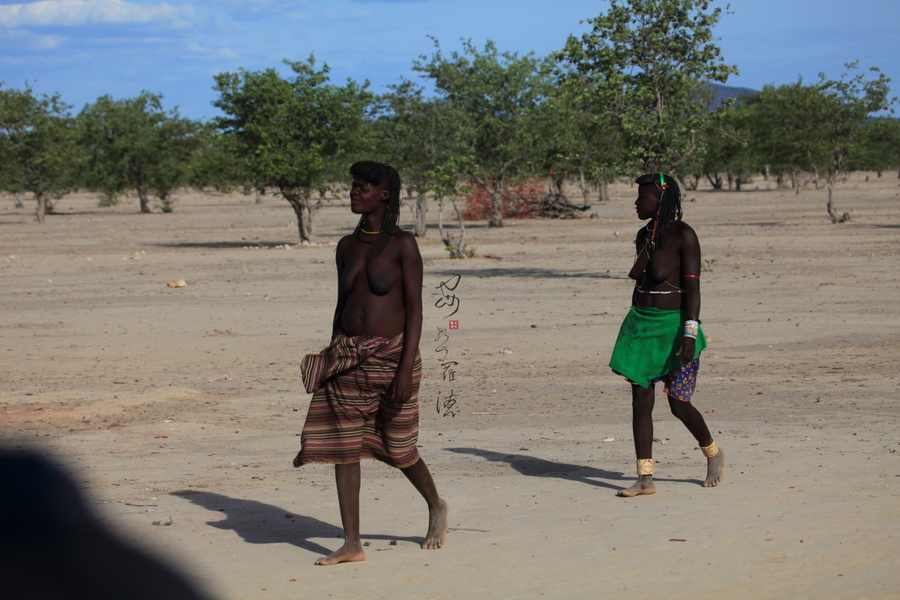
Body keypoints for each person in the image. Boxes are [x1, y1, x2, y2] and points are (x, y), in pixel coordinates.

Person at [293, 161, 448, 565]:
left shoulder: (403, 244)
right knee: (344, 448)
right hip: (347, 357)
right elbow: (341, 305)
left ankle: (435, 504)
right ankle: (351, 543)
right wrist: (331, 354)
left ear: (385, 194)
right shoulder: (346, 245)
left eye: (364, 187)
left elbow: (415, 311)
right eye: (353, 186)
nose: (354, 192)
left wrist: (404, 367)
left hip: (393, 356)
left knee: (398, 447)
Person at [609, 173, 725, 497]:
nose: (636, 203)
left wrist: (690, 332)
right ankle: (645, 479)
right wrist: (632, 324)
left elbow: (693, 289)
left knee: (678, 403)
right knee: (640, 401)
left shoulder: (684, 235)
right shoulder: (644, 235)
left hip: (674, 328)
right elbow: (639, 280)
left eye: (641, 197)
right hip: (641, 325)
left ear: (659, 200)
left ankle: (712, 452)